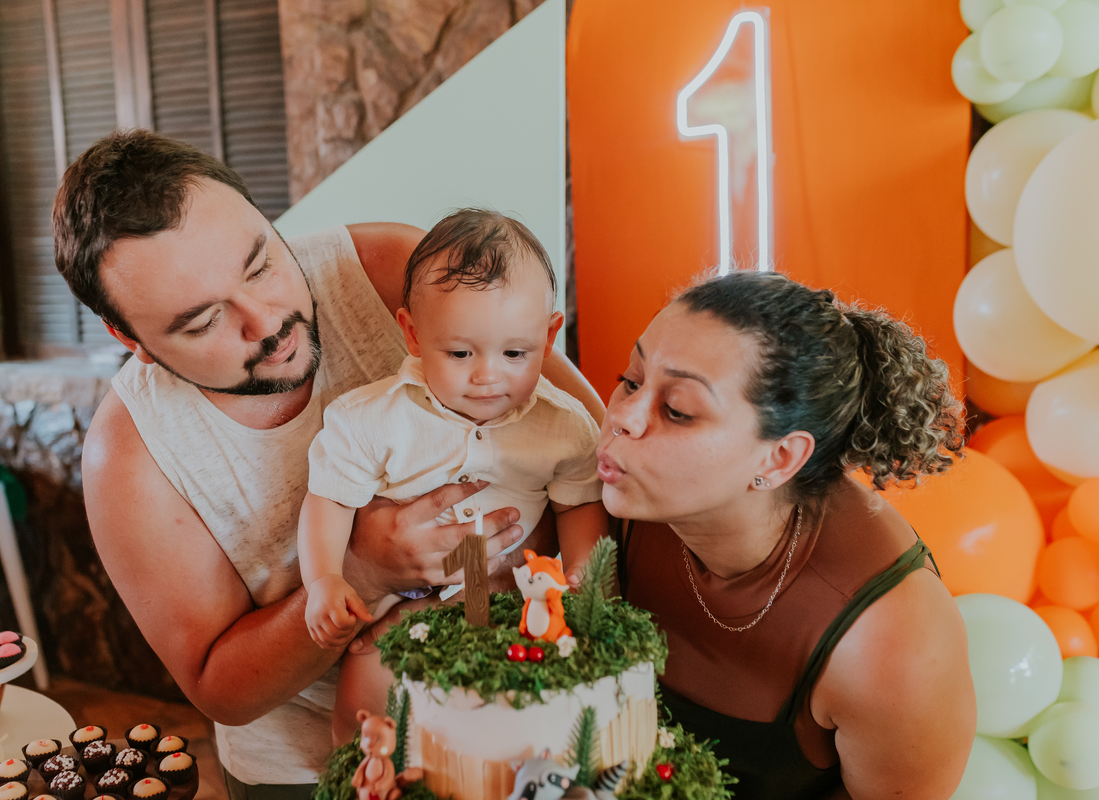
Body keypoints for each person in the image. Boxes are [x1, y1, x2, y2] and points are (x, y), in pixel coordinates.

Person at [52, 130, 604, 799]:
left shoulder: (392, 268)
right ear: (130, 338)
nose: (269, 322)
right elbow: (220, 685)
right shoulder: (131, 455)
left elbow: (583, 450)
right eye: (201, 323)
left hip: (511, 696)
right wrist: (366, 569)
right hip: (301, 768)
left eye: (260, 264)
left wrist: (521, 590)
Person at [597, 271, 975, 800]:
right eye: (631, 380)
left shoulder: (892, 642)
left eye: (677, 410)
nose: (622, 417)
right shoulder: (610, 493)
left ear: (778, 458)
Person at [298, 209, 605, 740]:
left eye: (515, 353)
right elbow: (328, 499)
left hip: (513, 593)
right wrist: (324, 578)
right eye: (460, 352)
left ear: (549, 335)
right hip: (405, 598)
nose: (488, 375)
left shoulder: (564, 425)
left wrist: (584, 578)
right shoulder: (371, 419)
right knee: (370, 681)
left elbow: (578, 502)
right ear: (413, 334)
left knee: (506, 711)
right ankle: (362, 768)